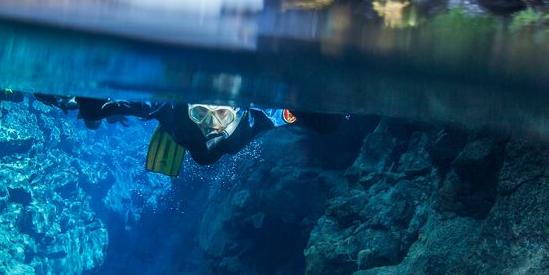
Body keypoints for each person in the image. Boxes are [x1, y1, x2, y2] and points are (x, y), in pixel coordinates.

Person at [34, 94, 340, 175]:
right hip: (198, 137)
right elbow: (311, 119)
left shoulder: (172, 110)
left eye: (219, 113)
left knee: (94, 110)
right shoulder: (261, 117)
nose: (210, 120)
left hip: (182, 133)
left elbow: (124, 103)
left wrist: (84, 104)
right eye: (202, 114)